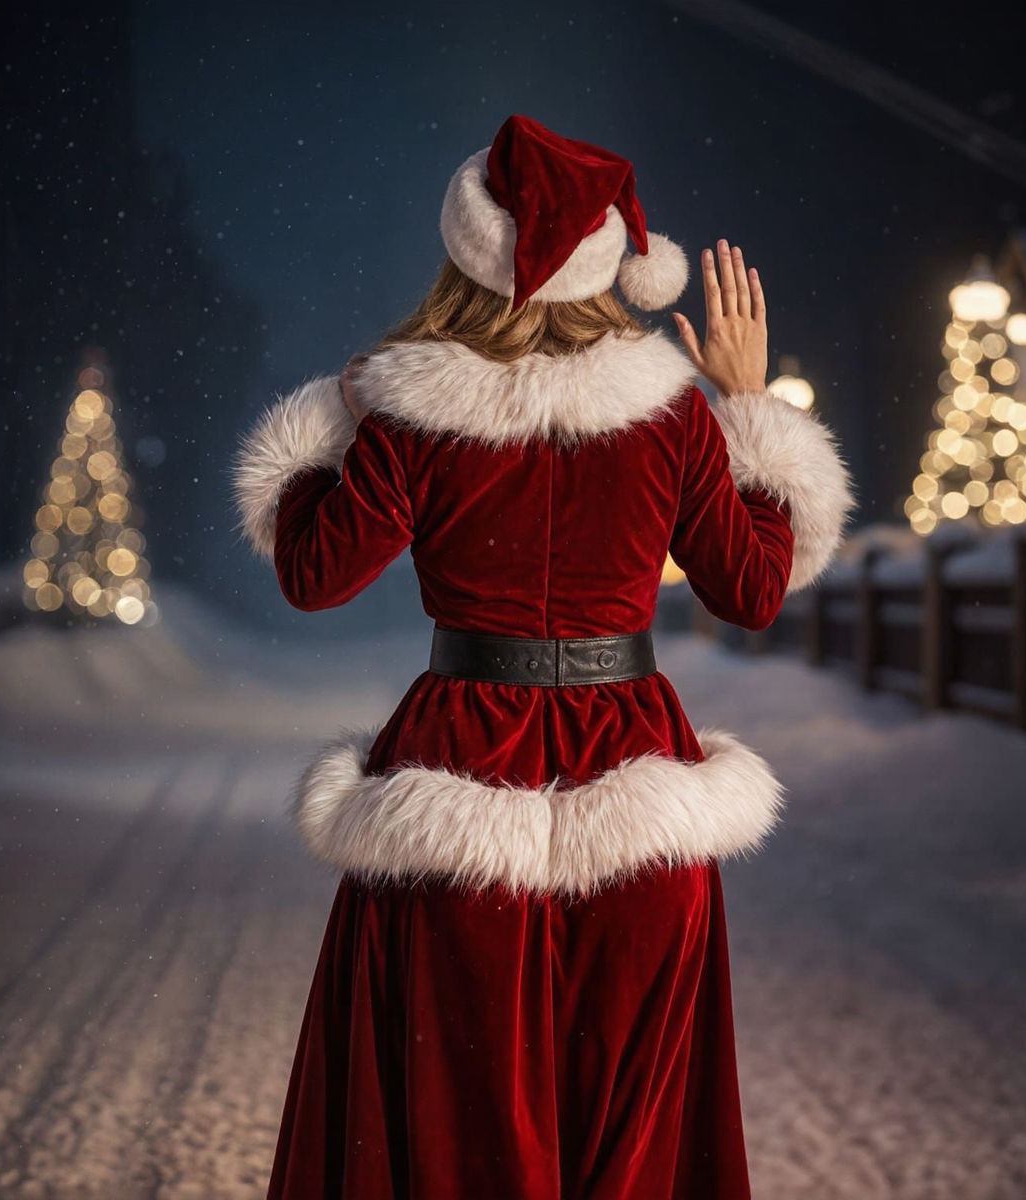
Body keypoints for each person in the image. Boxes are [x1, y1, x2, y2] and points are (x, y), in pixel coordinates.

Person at [232, 113, 853, 1200]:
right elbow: (753, 588)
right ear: (613, 262)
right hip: (637, 783)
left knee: (457, 1130)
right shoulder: (673, 418)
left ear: (463, 253)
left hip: (457, 775)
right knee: (630, 1139)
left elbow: (312, 574)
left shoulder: (415, 415)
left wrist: (336, 422)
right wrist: (746, 404)